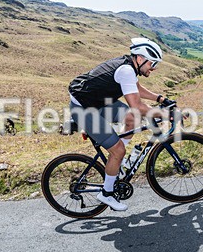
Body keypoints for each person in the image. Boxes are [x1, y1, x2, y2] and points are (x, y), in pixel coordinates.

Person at [68, 37, 172, 211]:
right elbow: (137, 105)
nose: (153, 69)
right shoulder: (125, 70)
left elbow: (136, 89)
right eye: (152, 64)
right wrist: (164, 113)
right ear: (140, 59)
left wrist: (161, 98)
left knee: (133, 118)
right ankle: (107, 193)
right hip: (84, 108)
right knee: (118, 150)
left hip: (99, 102)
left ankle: (119, 164)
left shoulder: (129, 67)